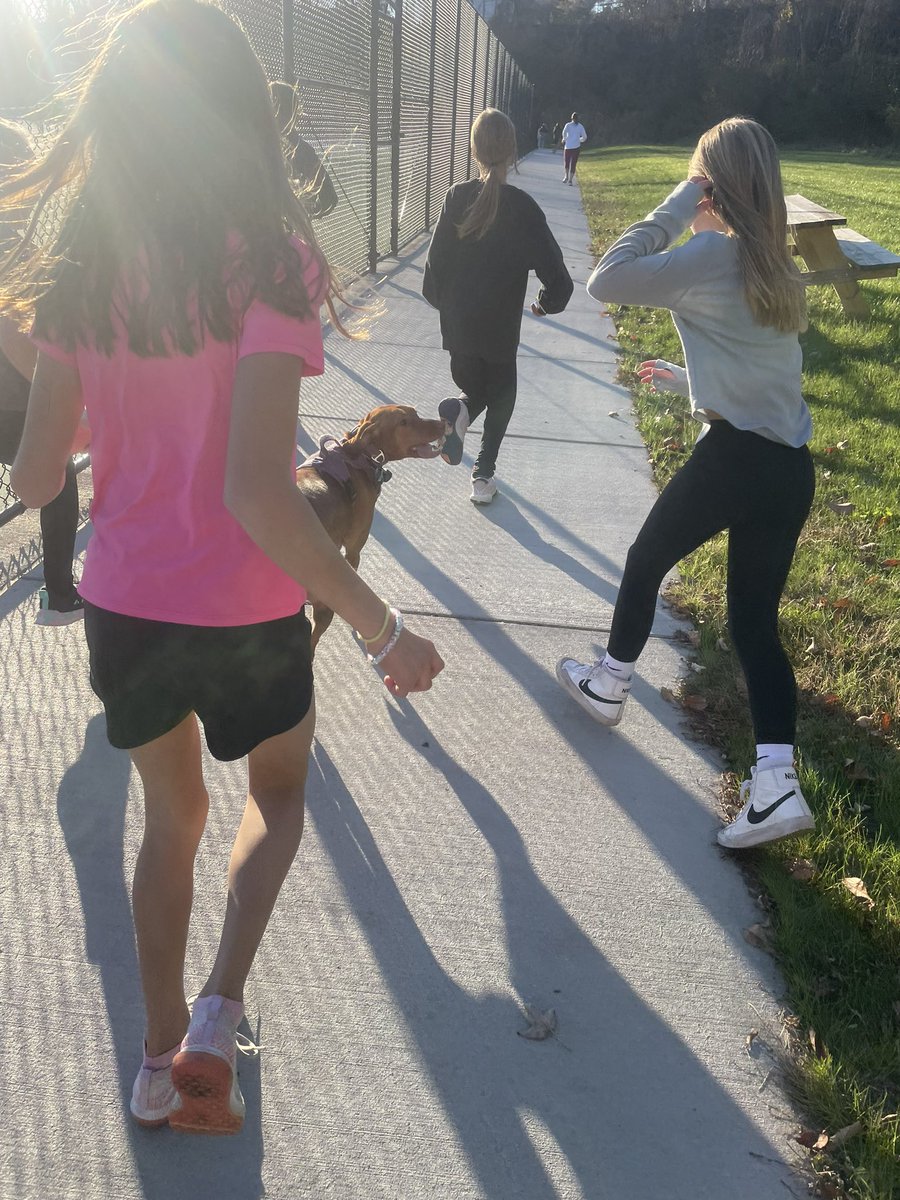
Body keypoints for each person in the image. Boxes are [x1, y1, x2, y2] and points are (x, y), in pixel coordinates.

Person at [2, 0, 443, 1135]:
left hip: (126, 605)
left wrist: (73, 367)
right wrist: (383, 627)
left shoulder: (84, 269)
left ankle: (156, 1065)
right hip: (247, 609)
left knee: (170, 820)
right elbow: (255, 490)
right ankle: (219, 1012)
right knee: (279, 795)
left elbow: (40, 479)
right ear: (243, 114)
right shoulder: (276, 261)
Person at [556, 117, 816, 851]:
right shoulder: (776, 261)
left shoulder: (707, 252)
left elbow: (608, 277)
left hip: (735, 459)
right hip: (788, 466)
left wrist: (676, 203)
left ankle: (609, 683)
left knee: (645, 562)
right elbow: (760, 368)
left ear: (713, 184)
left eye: (699, 175)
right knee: (754, 626)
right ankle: (776, 784)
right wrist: (685, 382)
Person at [422, 108, 573, 504]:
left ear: (473, 150)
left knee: (477, 390)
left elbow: (432, 274)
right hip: (499, 334)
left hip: (458, 333)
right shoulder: (522, 209)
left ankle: (461, 412)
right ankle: (483, 475)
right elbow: (559, 281)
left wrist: (452, 312)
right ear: (512, 152)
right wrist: (543, 304)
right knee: (503, 391)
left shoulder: (455, 198)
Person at [0, 118, 84, 625]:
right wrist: (61, 392)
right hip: (12, 400)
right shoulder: (13, 236)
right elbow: (13, 334)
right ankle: (57, 592)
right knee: (59, 472)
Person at [270, 80, 338, 220]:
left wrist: (302, 215)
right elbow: (329, 198)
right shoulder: (301, 148)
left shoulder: (301, 151)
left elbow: (329, 198)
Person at [561, 112, 587, 184]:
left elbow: (584, 137)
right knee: (569, 163)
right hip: (569, 147)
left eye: (575, 119)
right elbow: (564, 133)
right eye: (575, 119)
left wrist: (579, 140)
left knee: (570, 163)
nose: (575, 120)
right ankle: (567, 177)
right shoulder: (570, 125)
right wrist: (565, 138)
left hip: (574, 147)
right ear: (572, 119)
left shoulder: (578, 126)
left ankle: (569, 179)